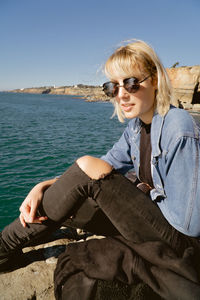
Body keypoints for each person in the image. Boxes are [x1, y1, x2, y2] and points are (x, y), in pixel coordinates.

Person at [1, 39, 200, 299]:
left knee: (86, 168)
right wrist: (44, 185)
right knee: (73, 198)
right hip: (157, 227)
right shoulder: (136, 128)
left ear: (155, 80)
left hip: (179, 242)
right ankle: (12, 245)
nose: (121, 94)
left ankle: (4, 246)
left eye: (130, 82)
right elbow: (95, 170)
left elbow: (190, 224)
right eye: (112, 87)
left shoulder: (179, 129)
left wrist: (138, 194)